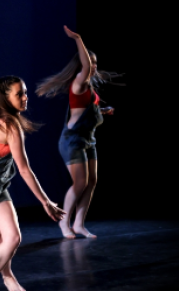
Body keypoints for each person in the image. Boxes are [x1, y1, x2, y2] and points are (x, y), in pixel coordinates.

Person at [0, 75, 65, 291]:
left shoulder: (6, 120)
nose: (25, 97)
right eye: (20, 94)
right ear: (6, 98)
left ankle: (9, 281)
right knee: (4, 244)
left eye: (25, 93)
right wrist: (46, 202)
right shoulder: (9, 125)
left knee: (12, 239)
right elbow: (24, 169)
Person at [35, 26, 122, 239]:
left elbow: (86, 110)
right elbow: (85, 65)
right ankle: (64, 223)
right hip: (72, 140)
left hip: (88, 139)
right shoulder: (78, 83)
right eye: (90, 62)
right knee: (80, 183)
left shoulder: (89, 88)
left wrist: (103, 110)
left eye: (95, 63)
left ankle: (79, 224)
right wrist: (78, 39)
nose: (93, 66)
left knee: (92, 181)